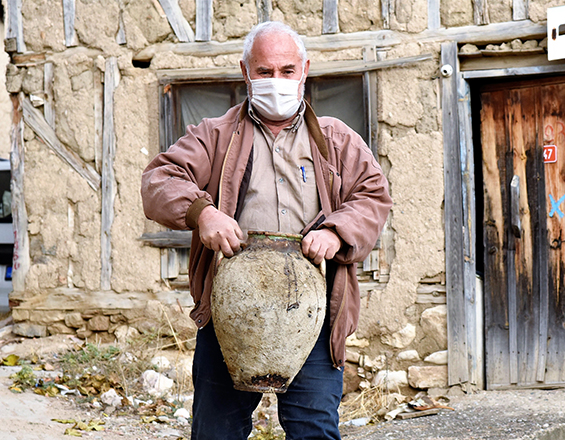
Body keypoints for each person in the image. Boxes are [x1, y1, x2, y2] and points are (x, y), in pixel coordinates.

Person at [141, 21, 391, 440]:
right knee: (216, 432)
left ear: (305, 70)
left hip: (311, 313)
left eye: (287, 71)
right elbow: (159, 180)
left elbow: (373, 196)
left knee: (314, 431)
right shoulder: (214, 135)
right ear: (245, 73)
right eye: (264, 72)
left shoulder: (336, 139)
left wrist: (336, 231)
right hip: (230, 312)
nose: (276, 81)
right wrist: (203, 213)